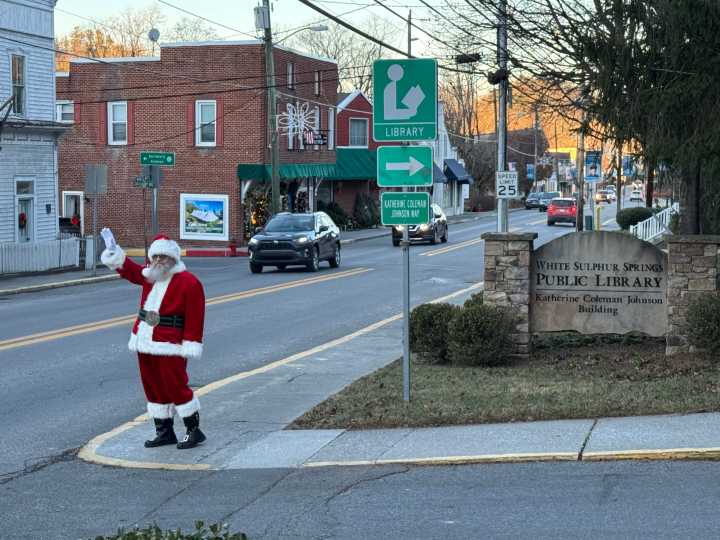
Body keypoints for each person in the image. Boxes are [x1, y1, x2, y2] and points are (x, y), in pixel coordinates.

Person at [100, 233, 207, 449]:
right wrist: (114, 251)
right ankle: (164, 431)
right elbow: (129, 270)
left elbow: (195, 317)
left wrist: (190, 344)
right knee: (152, 386)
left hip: (170, 344)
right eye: (155, 257)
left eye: (163, 257)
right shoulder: (151, 276)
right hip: (144, 340)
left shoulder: (189, 282)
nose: (158, 261)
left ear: (173, 259)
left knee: (175, 386)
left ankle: (193, 430)